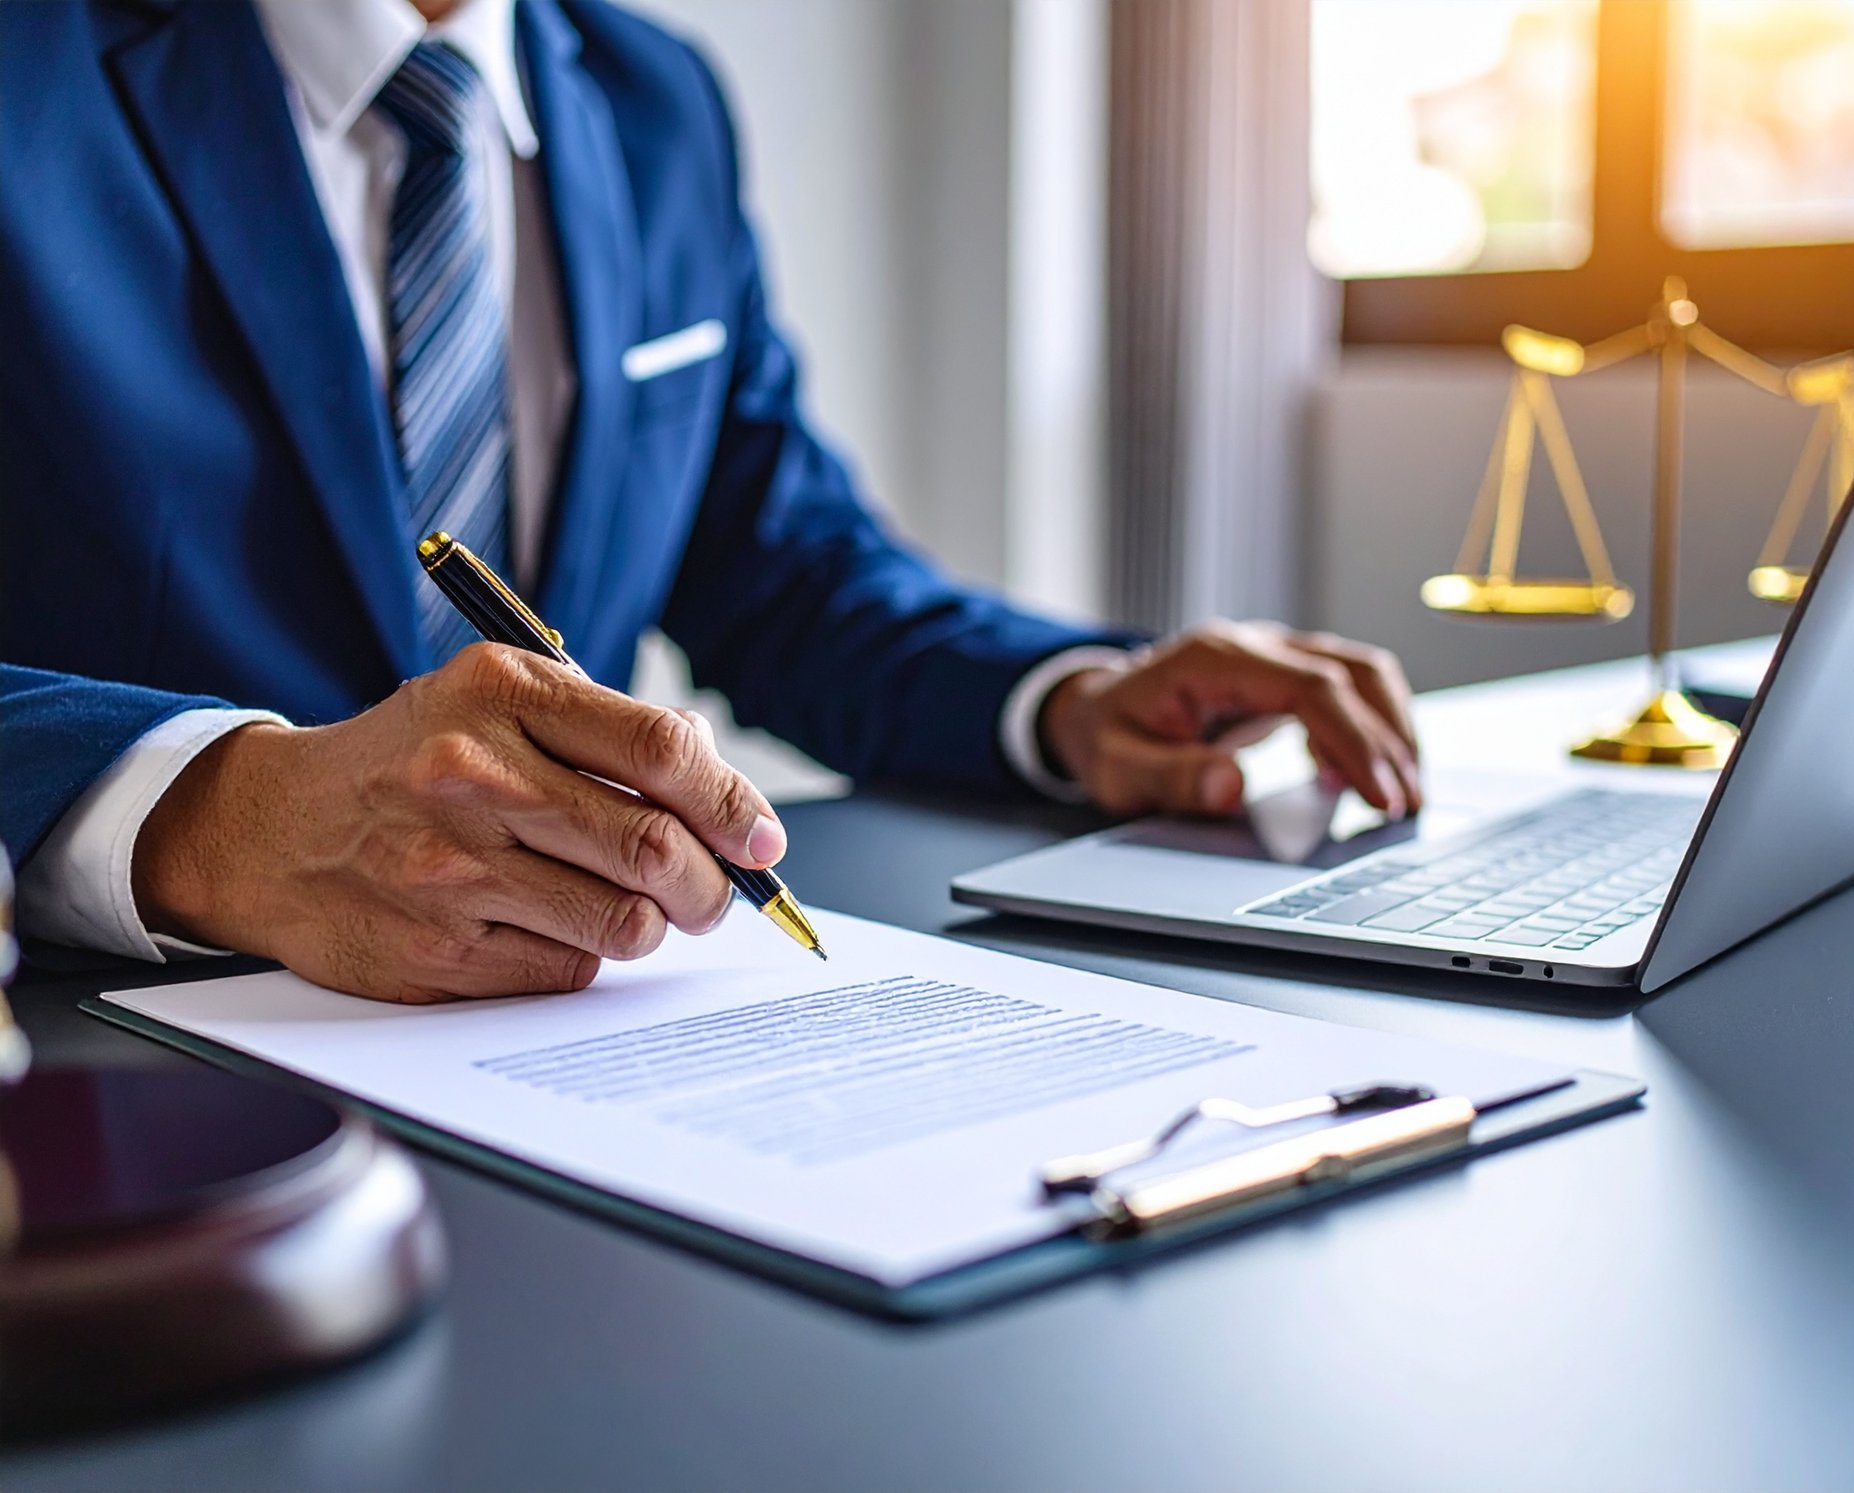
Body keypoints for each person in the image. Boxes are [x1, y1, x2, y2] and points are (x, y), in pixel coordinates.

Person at [0, 0, 1421, 1004]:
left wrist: (1070, 698)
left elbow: (784, 566)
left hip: (561, 1059)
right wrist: (217, 819)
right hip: (107, 1085)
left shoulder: (655, 100)